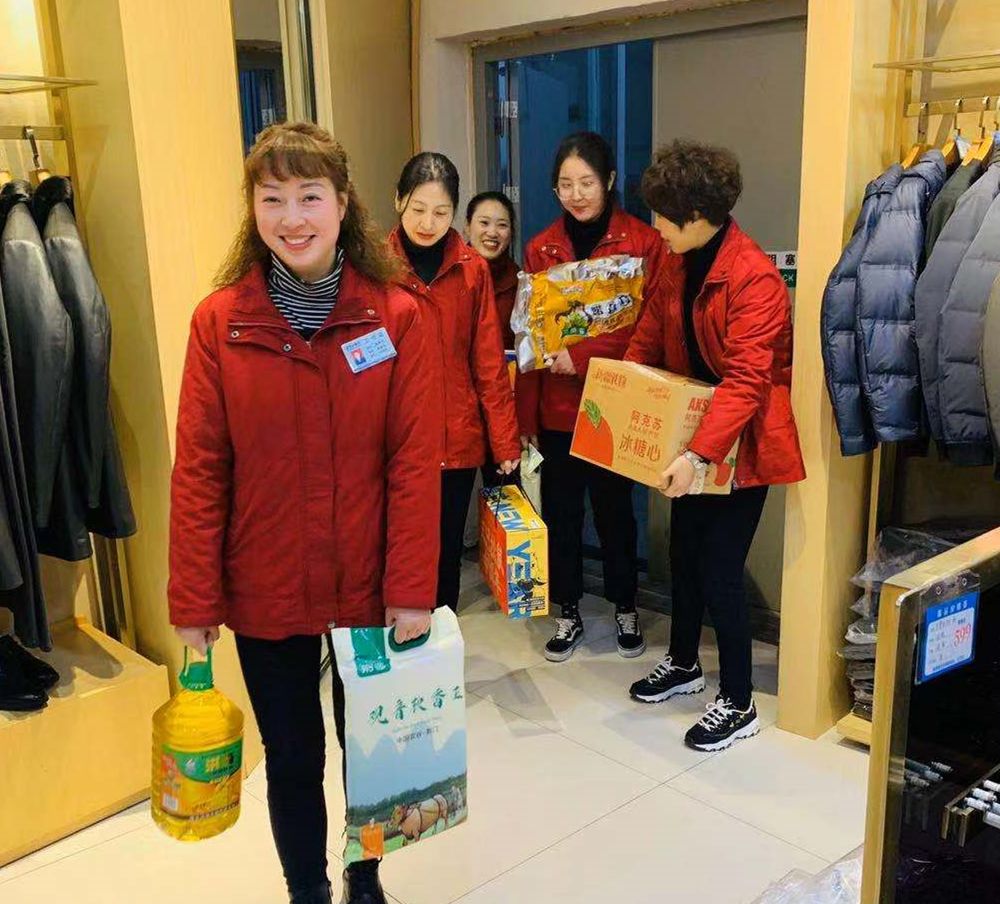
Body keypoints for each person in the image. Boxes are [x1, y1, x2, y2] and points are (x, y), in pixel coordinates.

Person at [168, 122, 438, 904]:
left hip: (370, 582)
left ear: (343, 204)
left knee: (372, 749)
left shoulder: (395, 317)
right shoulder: (220, 323)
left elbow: (412, 465)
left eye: (310, 196)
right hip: (267, 582)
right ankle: (307, 890)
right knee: (291, 757)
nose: (292, 218)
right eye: (273, 198)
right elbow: (201, 472)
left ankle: (365, 875)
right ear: (252, 208)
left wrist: (411, 589)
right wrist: (195, 600)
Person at [625, 139, 805, 752]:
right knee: (684, 552)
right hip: (692, 431)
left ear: (699, 216)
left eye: (664, 217)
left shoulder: (754, 277)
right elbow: (651, 331)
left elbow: (748, 381)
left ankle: (739, 699)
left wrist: (698, 455)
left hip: (741, 442)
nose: (656, 226)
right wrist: (628, 393)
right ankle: (683, 663)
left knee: (722, 568)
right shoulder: (675, 257)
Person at [517, 131, 667, 664]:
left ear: (609, 181)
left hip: (614, 403)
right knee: (561, 514)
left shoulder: (642, 244)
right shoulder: (541, 247)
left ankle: (626, 607)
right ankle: (568, 611)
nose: (576, 194)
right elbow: (532, 334)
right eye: (565, 184)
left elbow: (649, 329)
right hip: (558, 408)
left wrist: (581, 356)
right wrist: (526, 417)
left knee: (614, 514)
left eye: (586, 182)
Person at [389, 153, 521, 612]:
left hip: (455, 437)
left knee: (445, 556)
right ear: (398, 201)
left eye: (441, 212)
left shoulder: (471, 269)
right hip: (396, 441)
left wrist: (504, 442)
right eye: (418, 209)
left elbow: (488, 364)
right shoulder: (374, 268)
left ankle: (438, 644)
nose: (428, 223)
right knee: (399, 554)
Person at [465, 190, 519, 349]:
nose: (492, 233)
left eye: (502, 225)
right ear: (467, 227)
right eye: (484, 223)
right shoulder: (449, 274)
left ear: (511, 232)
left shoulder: (519, 284)